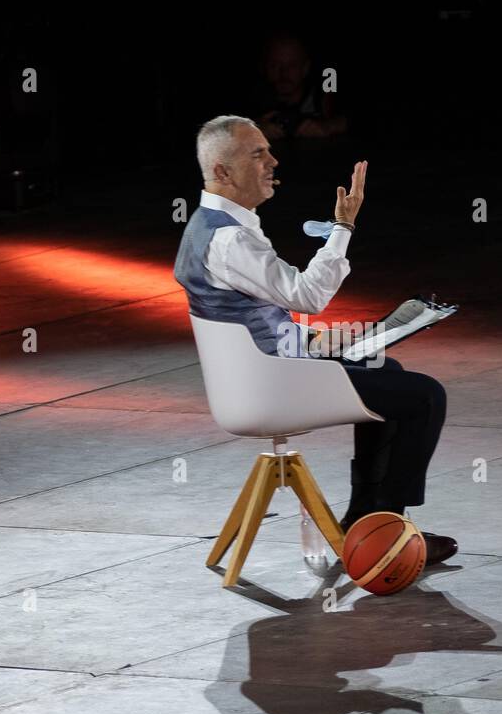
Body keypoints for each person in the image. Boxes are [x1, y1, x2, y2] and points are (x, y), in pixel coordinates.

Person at [174, 115, 456, 565]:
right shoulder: (228, 240)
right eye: (258, 154)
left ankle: (367, 518)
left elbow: (258, 320)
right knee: (425, 397)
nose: (273, 160)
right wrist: (343, 228)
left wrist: (330, 344)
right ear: (223, 172)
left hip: (267, 372)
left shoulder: (213, 225)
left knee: (390, 374)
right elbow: (307, 295)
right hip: (272, 387)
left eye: (268, 150)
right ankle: (389, 531)